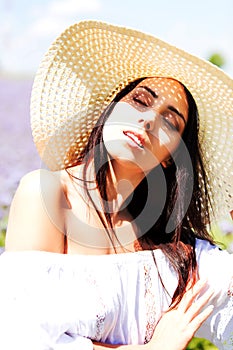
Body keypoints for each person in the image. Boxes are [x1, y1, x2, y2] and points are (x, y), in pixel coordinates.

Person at [0, 20, 232, 350]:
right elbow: (19, 334)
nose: (149, 120)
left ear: (171, 157)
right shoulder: (48, 194)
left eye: (170, 120)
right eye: (139, 100)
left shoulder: (174, 247)